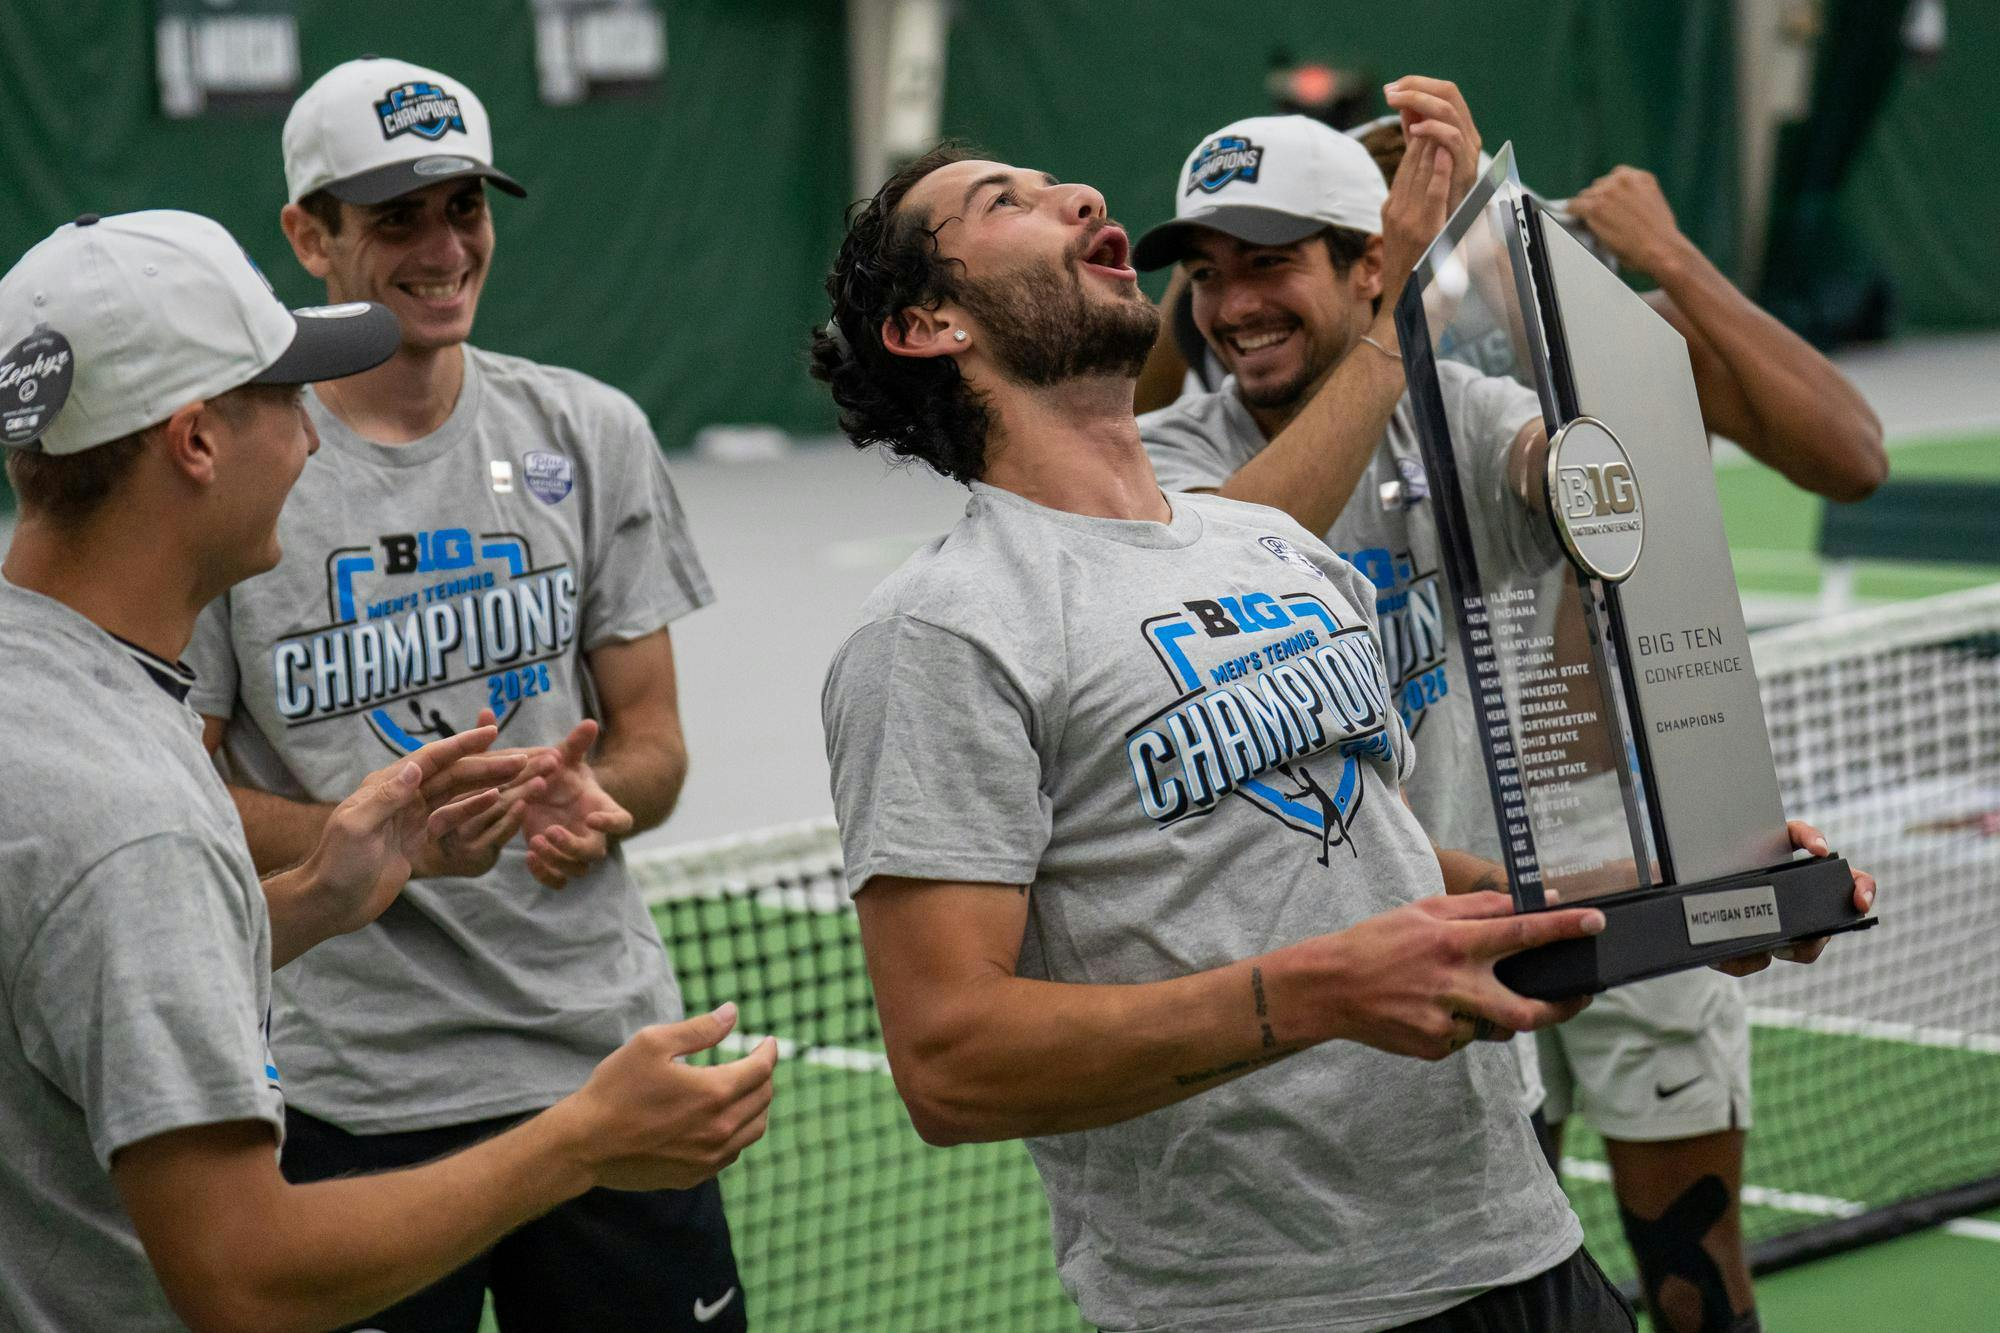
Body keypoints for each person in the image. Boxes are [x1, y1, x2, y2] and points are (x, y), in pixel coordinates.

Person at [808, 141, 1871, 1331]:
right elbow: (949, 1062)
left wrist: (1660, 897)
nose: (1081, 196)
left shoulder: (1269, 546)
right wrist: (1319, 992)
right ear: (927, 325)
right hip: (1272, 1304)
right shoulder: (941, 628)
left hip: (1513, 1244)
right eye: (1003, 201)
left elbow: (1394, 862)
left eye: (1064, 186)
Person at [1132, 84, 1887, 1333]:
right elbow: (1232, 539)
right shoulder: (1170, 463)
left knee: (1679, 1278)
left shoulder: (1465, 410)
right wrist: (1390, 307)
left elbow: (1615, 478)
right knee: (1476, 1270)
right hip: (1368, 950)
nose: (1231, 302)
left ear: (1369, 261)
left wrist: (1502, 248)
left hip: (1550, 870)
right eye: (1207, 274)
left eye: (1266, 262)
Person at [0, 209, 776, 1333]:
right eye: (284, 399)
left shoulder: (47, 691)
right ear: (196, 441)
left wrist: (321, 892)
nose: (313, 439)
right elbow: (245, 1275)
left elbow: (65, 974)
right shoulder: (134, 812)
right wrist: (582, 1141)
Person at [185, 57, 740, 1331]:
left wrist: (590, 797)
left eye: (465, 209)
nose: (443, 249)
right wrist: (384, 841)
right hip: (352, 1092)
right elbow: (186, 793)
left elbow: (653, 747)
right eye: (397, 218)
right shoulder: (239, 465)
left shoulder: (588, 430)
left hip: (601, 1060)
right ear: (307, 234)